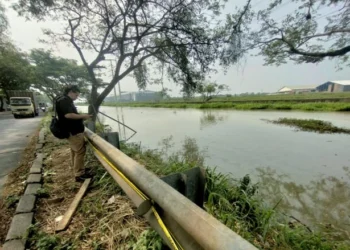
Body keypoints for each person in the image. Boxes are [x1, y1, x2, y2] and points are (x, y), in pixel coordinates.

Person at [56, 85, 92, 182]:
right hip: (73, 131)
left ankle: (78, 170)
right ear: (71, 92)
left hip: (71, 130)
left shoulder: (62, 99)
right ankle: (79, 174)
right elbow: (68, 115)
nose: (76, 97)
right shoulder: (64, 100)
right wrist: (83, 116)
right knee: (80, 151)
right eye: (76, 95)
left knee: (75, 151)